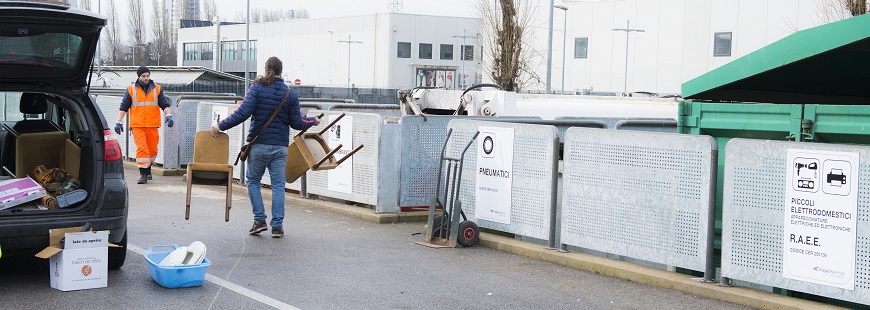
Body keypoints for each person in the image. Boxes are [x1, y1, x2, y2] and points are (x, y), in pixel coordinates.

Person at [210, 56, 319, 238]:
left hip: (259, 145)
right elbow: (298, 123)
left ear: (266, 69)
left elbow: (243, 113)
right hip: (279, 147)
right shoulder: (289, 93)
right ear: (281, 72)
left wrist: (220, 126)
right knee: (278, 186)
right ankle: (277, 226)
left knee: (253, 181)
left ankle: (259, 220)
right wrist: (313, 121)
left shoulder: (257, 88)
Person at [115, 66, 173, 184]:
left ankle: (148, 167)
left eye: (147, 75)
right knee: (142, 149)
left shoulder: (157, 89)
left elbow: (164, 103)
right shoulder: (131, 89)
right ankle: (143, 174)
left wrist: (169, 115)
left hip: (152, 125)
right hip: (137, 125)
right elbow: (124, 106)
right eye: (143, 76)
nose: (146, 78)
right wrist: (119, 121)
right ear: (139, 77)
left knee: (152, 150)